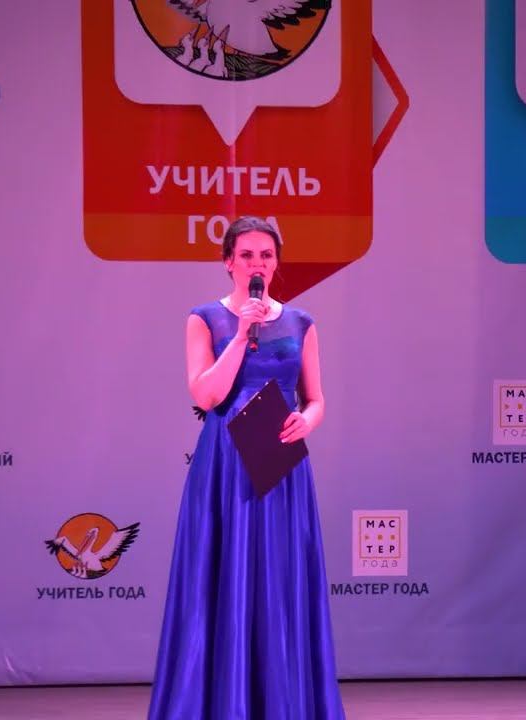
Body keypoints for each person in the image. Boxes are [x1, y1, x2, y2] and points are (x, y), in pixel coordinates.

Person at [148, 216, 345, 719]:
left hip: (281, 466)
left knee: (278, 581)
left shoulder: (302, 323)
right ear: (228, 262)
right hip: (225, 466)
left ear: (276, 263)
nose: (258, 264)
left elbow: (316, 399)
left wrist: (307, 421)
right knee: (221, 579)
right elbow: (207, 395)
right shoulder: (204, 319)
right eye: (247, 255)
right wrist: (240, 336)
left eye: (266, 255)